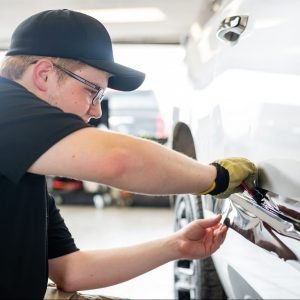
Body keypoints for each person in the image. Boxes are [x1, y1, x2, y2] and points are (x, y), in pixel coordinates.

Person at [0, 9, 256, 300]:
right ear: (44, 74)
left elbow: (69, 270)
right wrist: (215, 178)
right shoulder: (3, 106)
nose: (96, 111)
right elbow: (119, 160)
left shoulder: (25, 162)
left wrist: (176, 246)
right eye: (92, 91)